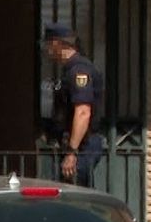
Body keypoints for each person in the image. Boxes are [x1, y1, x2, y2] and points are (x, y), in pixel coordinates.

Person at [43, 23, 105, 187]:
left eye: (48, 44)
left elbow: (83, 111)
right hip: (75, 145)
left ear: (57, 44)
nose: (46, 49)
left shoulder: (79, 70)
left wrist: (72, 152)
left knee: (74, 196)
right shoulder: (69, 70)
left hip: (83, 146)